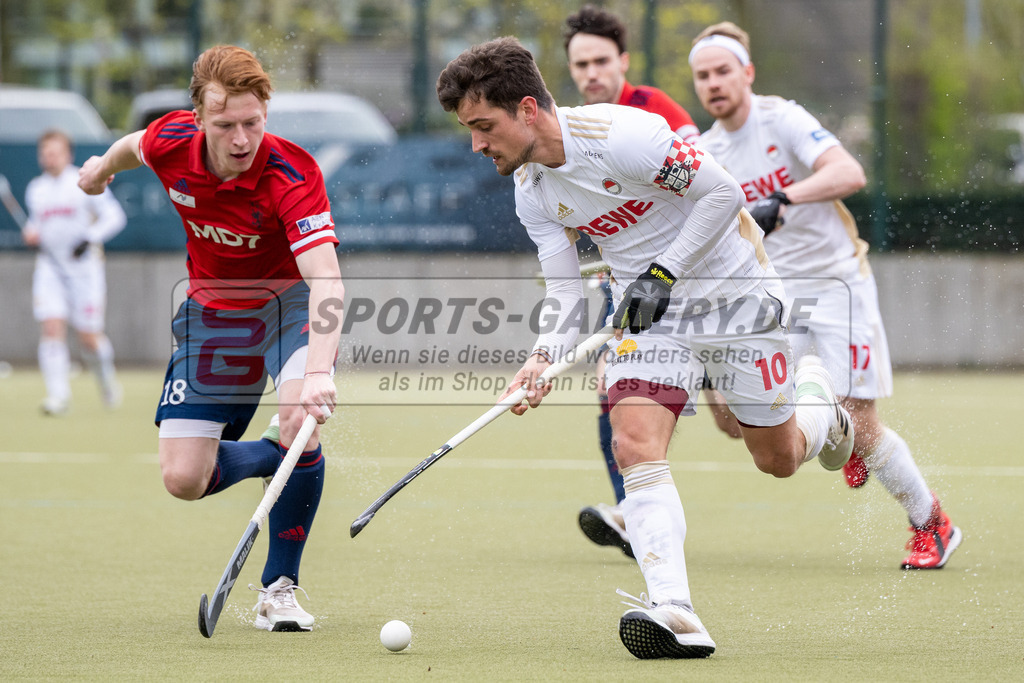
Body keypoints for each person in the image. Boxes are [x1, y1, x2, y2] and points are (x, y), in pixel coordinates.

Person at [437, 36, 854, 660]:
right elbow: (561, 286)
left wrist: (663, 273)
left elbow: (723, 195)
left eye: (482, 126)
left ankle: (820, 405)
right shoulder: (531, 188)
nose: (476, 144)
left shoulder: (623, 135)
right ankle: (677, 611)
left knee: (779, 457)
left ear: (527, 109)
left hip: (735, 292)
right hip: (650, 318)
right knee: (633, 442)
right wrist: (545, 355)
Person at [78, 45, 344, 631]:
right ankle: (279, 456)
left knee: (300, 418)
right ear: (199, 119)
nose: (243, 138)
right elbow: (133, 147)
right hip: (213, 316)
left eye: (253, 122)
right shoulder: (172, 142)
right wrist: (99, 169)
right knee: (183, 479)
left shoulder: (292, 174)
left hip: (287, 307)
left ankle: (280, 587)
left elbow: (325, 279)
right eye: (226, 125)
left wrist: (319, 372)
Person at [689, 22, 961, 570]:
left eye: (723, 71)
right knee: (733, 419)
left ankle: (932, 523)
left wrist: (783, 198)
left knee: (861, 423)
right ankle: (834, 426)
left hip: (838, 283)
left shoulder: (782, 118)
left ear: (747, 73)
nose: (714, 83)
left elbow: (849, 171)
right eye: (702, 76)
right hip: (775, 296)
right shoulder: (705, 151)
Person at [562, 4, 739, 558]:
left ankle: (813, 413)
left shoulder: (655, 111)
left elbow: (707, 191)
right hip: (636, 289)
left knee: (739, 425)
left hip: (696, 281)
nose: (590, 73)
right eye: (580, 64)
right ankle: (632, 513)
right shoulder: (573, 128)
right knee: (612, 389)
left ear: (623, 61)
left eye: (600, 61)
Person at [23, 129, 126, 415]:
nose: (49, 158)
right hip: (49, 269)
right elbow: (36, 226)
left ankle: (106, 382)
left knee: (88, 337)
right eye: (44, 153)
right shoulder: (36, 189)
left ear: (67, 154)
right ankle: (58, 396)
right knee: (51, 327)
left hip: (84, 270)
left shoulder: (83, 181)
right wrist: (32, 233)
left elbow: (115, 217)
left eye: (54, 152)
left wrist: (89, 238)